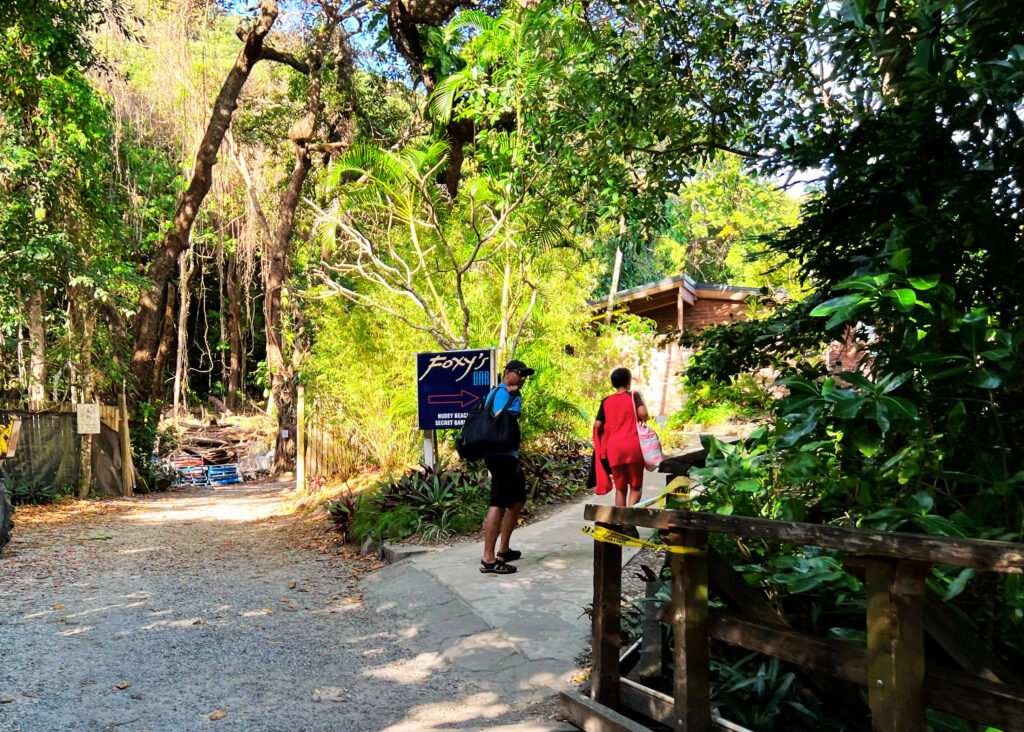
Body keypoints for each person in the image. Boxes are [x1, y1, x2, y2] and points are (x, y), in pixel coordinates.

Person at [480, 359, 535, 575]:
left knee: (517, 499)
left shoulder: (503, 392)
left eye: (525, 375)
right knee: (499, 503)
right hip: (500, 455)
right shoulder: (502, 392)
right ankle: (488, 560)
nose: (522, 378)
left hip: (507, 455)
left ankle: (503, 550)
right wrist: (515, 396)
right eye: (519, 373)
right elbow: (509, 416)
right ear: (507, 373)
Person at [593, 367, 649, 511]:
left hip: (614, 449)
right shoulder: (633, 396)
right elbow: (642, 412)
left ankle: (621, 521)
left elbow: (597, 425)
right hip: (633, 447)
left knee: (620, 488)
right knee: (636, 487)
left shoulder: (606, 401)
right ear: (628, 381)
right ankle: (629, 519)